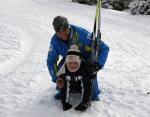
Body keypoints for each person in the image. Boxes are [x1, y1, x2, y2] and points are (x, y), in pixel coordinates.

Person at [47, 15, 109, 101]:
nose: (62, 34)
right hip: (69, 62)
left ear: (68, 27)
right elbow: (51, 61)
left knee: (93, 96)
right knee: (62, 89)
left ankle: (89, 87)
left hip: (86, 63)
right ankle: (67, 87)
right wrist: (56, 77)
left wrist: (98, 64)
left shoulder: (82, 33)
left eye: (64, 30)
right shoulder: (55, 41)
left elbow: (104, 48)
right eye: (58, 31)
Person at [56, 45, 92, 111]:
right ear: (66, 62)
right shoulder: (64, 71)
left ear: (79, 62)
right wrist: (64, 103)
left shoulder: (84, 70)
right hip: (71, 88)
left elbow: (87, 87)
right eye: (70, 62)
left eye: (75, 62)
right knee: (60, 85)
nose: (72, 65)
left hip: (80, 89)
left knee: (90, 86)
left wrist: (85, 103)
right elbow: (64, 88)